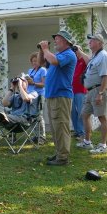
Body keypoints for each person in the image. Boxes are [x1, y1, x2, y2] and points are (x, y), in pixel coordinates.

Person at [38, 30, 76, 166]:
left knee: (61, 126)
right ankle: (59, 152)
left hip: (61, 96)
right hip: (53, 96)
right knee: (55, 127)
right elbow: (42, 62)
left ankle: (63, 158)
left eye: (57, 39)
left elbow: (53, 61)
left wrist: (45, 49)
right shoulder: (58, 54)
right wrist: (41, 50)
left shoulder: (69, 54)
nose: (55, 40)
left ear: (66, 41)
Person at [76, 34, 107, 154]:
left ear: (100, 43)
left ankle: (103, 145)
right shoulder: (96, 56)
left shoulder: (104, 56)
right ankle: (87, 142)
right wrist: (80, 52)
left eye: (93, 40)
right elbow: (89, 61)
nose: (90, 42)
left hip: (98, 90)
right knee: (85, 115)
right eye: (90, 40)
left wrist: (100, 93)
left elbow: (106, 76)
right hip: (90, 91)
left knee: (102, 117)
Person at [26, 52, 47, 143]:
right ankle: (35, 135)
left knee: (39, 115)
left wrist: (33, 83)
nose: (34, 63)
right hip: (30, 95)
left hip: (39, 95)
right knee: (32, 115)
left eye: (36, 61)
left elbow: (44, 84)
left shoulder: (43, 70)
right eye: (33, 61)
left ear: (40, 61)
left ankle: (42, 137)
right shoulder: (30, 71)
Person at [71, 45, 88, 140]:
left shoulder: (83, 61)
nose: (75, 52)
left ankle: (82, 132)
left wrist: (79, 50)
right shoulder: (74, 62)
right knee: (72, 111)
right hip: (71, 90)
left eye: (77, 50)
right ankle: (77, 131)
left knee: (81, 111)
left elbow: (89, 61)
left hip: (81, 90)